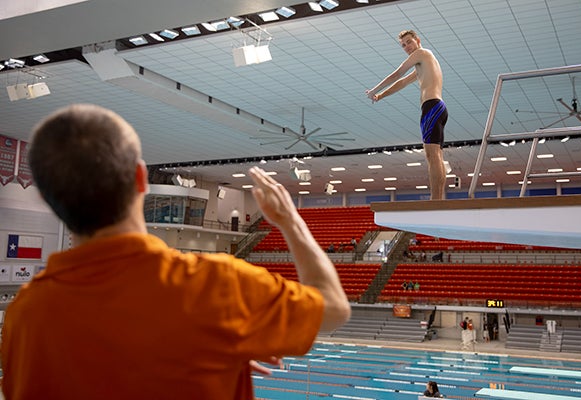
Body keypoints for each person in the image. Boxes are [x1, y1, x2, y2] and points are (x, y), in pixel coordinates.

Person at [0, 104, 351, 400]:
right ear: (141, 179)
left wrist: (207, 344)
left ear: (46, 198)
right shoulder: (217, 285)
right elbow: (333, 309)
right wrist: (290, 221)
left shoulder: (25, 315)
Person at [366, 29, 448, 200]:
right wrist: (380, 96)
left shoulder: (421, 53)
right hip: (438, 107)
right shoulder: (424, 63)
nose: (406, 47)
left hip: (431, 107)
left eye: (409, 42)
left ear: (418, 40)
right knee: (436, 155)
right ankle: (439, 199)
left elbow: (397, 73)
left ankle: (436, 200)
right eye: (403, 45)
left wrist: (374, 89)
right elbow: (401, 82)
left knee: (432, 155)